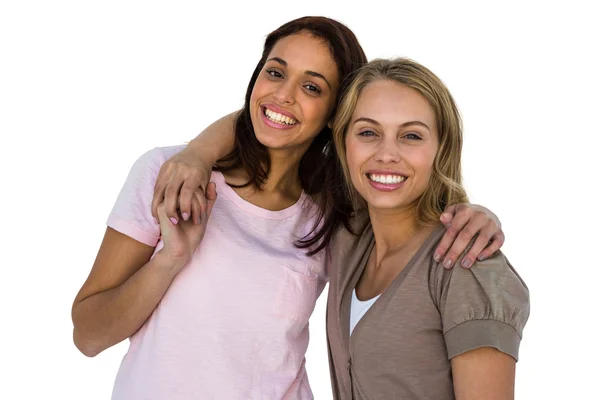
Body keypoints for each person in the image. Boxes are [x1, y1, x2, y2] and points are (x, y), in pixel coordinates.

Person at [72, 16, 503, 400]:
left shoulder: (335, 215)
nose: (283, 95)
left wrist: (475, 213)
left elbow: (403, 210)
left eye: (312, 87)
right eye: (274, 72)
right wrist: (170, 259)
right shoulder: (171, 176)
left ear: (338, 113)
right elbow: (88, 336)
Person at [325, 58, 530, 399]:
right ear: (343, 141)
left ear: (441, 148)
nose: (387, 154)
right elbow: (269, 136)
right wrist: (200, 154)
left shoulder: (466, 265)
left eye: (411, 135)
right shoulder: (349, 237)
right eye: (367, 132)